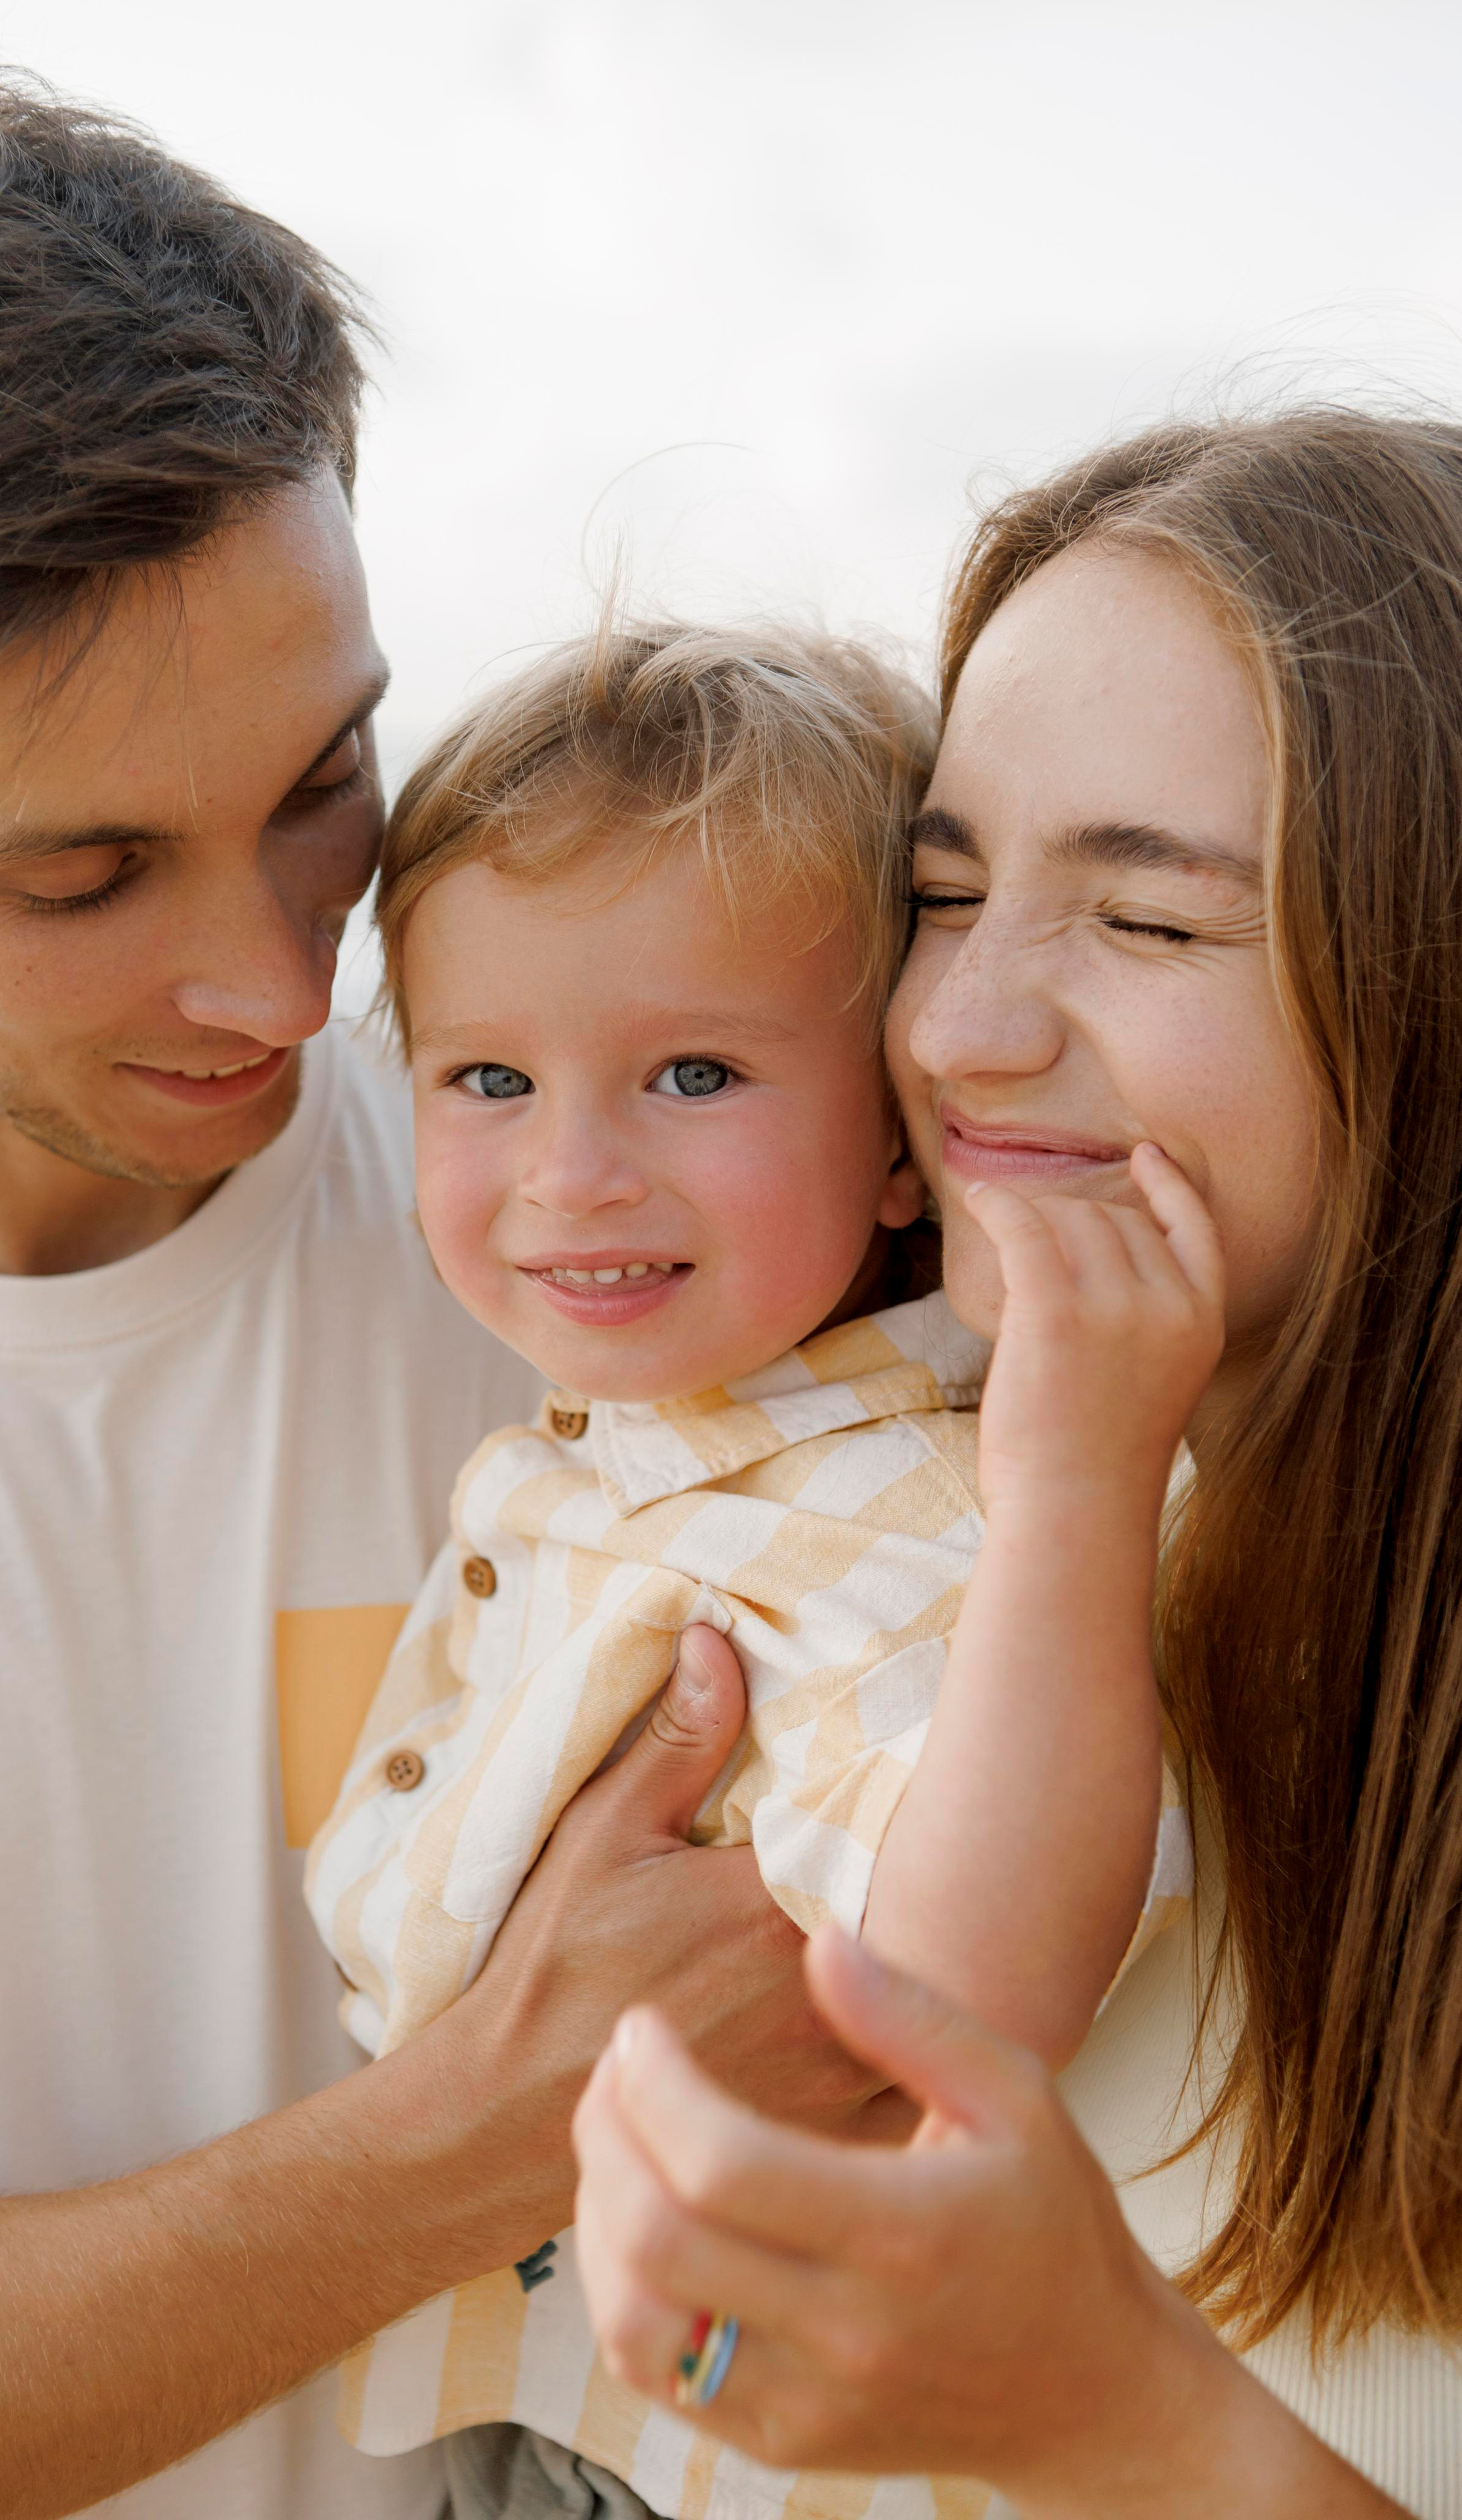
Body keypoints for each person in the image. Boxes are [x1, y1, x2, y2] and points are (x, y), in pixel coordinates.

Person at [0, 66, 875, 2520]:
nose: (281, 986)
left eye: (322, 781)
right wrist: (471, 2139)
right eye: (79, 882)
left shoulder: (610, 1207)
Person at [571, 410, 1462, 2517]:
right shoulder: (860, 1544)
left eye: (1152, 928)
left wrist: (1124, 2426)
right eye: (946, 891)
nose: (961, 1026)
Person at [303, 616, 1214, 2520]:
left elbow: (960, 1996)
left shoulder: (940, 1505)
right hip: (542, 2382)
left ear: (902, 1144)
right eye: (486, 1079)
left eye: (694, 1075)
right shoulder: (633, 1444)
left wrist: (1072, 1495)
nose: (571, 1174)